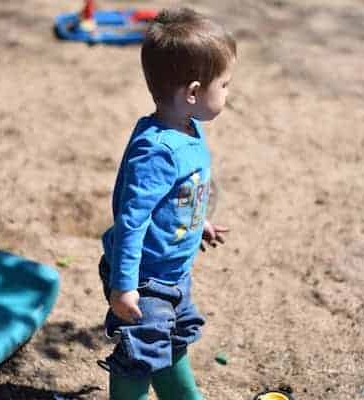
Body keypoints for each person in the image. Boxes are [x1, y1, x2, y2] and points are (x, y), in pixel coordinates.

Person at [98, 7, 236, 399]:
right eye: (223, 85)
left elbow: (177, 197)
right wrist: (124, 287)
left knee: (173, 338)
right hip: (145, 280)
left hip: (173, 272)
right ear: (193, 93)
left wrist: (197, 224)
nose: (228, 92)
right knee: (140, 353)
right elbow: (131, 221)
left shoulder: (186, 130)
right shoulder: (156, 150)